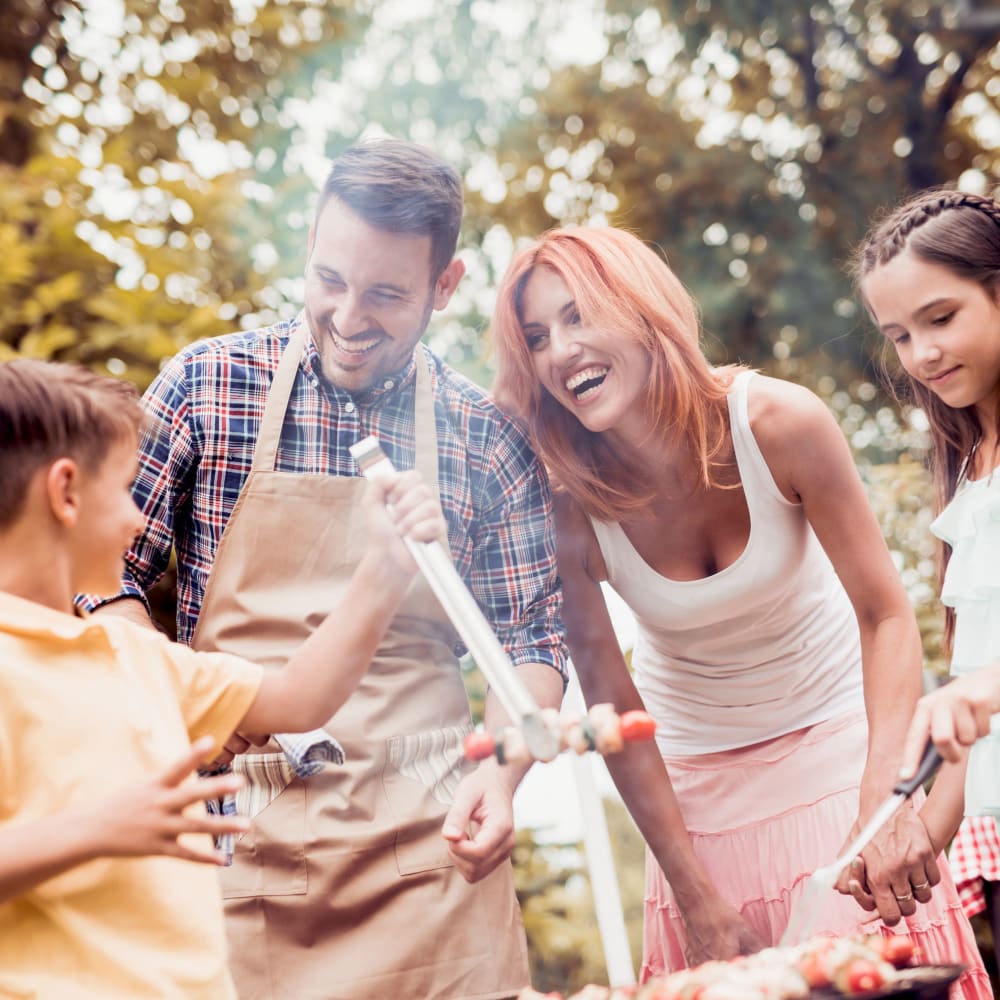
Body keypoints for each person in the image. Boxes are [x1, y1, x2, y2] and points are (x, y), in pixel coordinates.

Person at [80, 137, 567, 1000]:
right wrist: (173, 709)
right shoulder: (208, 384)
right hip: (235, 841)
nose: (347, 316)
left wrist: (502, 769)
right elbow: (96, 571)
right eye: (329, 280)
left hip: (427, 858)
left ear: (444, 287)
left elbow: (531, 639)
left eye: (385, 294)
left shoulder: (484, 439)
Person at [489, 225, 990, 997]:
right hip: (696, 812)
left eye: (580, 315)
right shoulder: (567, 507)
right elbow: (611, 702)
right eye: (537, 337)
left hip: (842, 761)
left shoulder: (778, 423)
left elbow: (885, 617)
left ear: (642, 309)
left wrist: (884, 802)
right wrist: (692, 891)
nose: (560, 350)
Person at [0, 359, 448, 998]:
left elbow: (297, 698)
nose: (136, 520)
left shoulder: (138, 659)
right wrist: (94, 829)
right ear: (66, 492)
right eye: (126, 489)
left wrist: (385, 567)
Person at [858, 186, 1000, 980]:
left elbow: (979, 695)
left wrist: (983, 689)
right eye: (900, 335)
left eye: (941, 319)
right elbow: (968, 733)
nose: (922, 354)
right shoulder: (966, 473)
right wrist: (907, 841)